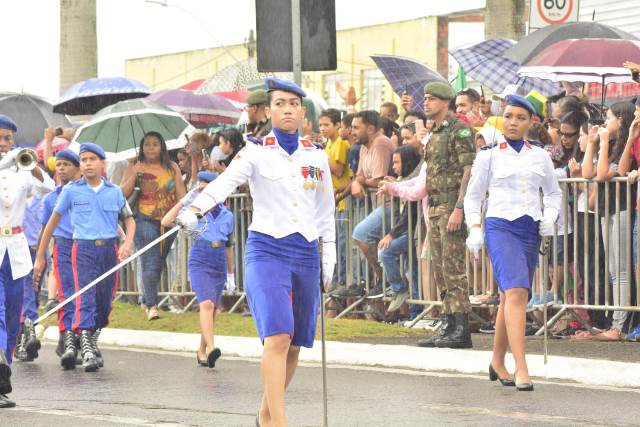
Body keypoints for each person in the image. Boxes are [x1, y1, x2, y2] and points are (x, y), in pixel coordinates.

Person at [176, 78, 335, 427]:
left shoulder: (316, 155)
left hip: (306, 250)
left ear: (302, 110)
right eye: (280, 103)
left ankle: (266, 413)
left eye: (294, 103)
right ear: (269, 110)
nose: (288, 109)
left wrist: (329, 256)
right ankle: (279, 423)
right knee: (278, 335)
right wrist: (194, 210)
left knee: (295, 344)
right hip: (267, 250)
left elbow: (325, 210)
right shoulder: (255, 151)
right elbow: (224, 183)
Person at [464, 95, 561, 391]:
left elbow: (553, 192)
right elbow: (473, 196)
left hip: (529, 227)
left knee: (509, 297)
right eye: (508, 116)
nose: (513, 122)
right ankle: (522, 367)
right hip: (500, 225)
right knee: (518, 291)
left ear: (531, 122)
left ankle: (497, 360)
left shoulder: (540, 156)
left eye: (520, 117)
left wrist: (551, 214)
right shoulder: (489, 155)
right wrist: (475, 228)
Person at [34, 143, 135, 372]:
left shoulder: (114, 191)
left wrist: (127, 243)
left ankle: (90, 339)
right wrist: (41, 256)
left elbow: (129, 220)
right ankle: (87, 348)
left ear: (103, 163)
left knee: (104, 301)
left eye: (92, 159)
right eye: (84, 160)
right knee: (85, 296)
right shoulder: (71, 191)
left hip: (109, 250)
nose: (88, 164)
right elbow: (51, 224)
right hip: (83, 249)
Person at [0, 114, 55, 408]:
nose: (3, 144)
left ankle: (2, 370)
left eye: (7, 139)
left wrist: (32, 165)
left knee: (12, 315)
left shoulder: (20, 169)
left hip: (16, 250)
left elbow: (48, 188)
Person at [416, 82, 476, 349]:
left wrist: (460, 208)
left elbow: (468, 170)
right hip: (436, 207)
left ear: (444, 102)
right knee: (440, 269)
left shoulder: (458, 129)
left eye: (431, 99)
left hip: (452, 206)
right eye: (425, 99)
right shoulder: (435, 131)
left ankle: (462, 327)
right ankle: (449, 322)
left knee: (453, 269)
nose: (426, 103)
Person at [162, 171, 234, 368]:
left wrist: (231, 274)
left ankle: (202, 350)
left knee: (214, 310)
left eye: (205, 190)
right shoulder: (192, 212)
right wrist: (184, 200)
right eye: (199, 190)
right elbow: (166, 222)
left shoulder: (227, 215)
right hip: (200, 257)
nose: (201, 194)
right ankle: (211, 347)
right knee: (207, 304)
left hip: (218, 258)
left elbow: (229, 246)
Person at [582, 101, 636, 341]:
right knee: (613, 269)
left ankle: (620, 325)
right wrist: (594, 143)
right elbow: (587, 173)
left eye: (609, 117)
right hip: (607, 209)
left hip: (623, 208)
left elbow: (603, 174)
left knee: (621, 269)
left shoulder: (626, 143)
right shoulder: (612, 144)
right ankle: (616, 323)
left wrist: (602, 143)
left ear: (621, 121)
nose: (605, 122)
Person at [120, 131, 186, 320]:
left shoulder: (172, 167)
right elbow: (123, 193)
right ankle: (152, 306)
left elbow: (182, 195)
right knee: (150, 262)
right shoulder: (135, 166)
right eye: (147, 144)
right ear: (142, 147)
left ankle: (144, 297)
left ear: (162, 147)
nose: (150, 148)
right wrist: (134, 173)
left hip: (169, 222)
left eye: (155, 144)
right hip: (145, 220)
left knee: (159, 264)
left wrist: (181, 214)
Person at [39, 149, 82, 369]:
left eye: (67, 164)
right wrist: (40, 258)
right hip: (63, 246)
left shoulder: (86, 193)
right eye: (59, 164)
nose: (62, 168)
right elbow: (45, 229)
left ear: (78, 168)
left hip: (84, 246)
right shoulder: (50, 199)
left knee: (83, 294)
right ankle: (66, 339)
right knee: (66, 294)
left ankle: (83, 339)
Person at [376, 145, 422, 317]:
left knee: (385, 253)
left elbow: (408, 215)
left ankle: (399, 289)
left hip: (414, 231)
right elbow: (399, 213)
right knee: (411, 269)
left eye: (396, 162)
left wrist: (391, 234)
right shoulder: (400, 181)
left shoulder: (409, 185)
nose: (393, 166)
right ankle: (414, 311)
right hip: (405, 231)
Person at [319, 108, 352, 290]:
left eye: (327, 125)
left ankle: (341, 285)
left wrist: (320, 153)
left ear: (338, 125)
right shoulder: (329, 144)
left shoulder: (339, 143)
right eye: (321, 125)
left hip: (343, 201)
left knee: (343, 248)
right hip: (333, 202)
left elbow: (338, 170)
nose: (322, 128)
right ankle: (335, 286)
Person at [15, 192, 45, 362]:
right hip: (17, 250)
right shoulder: (11, 196)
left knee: (33, 294)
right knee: (24, 293)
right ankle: (25, 335)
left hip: (37, 251)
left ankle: (28, 334)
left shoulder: (42, 199)